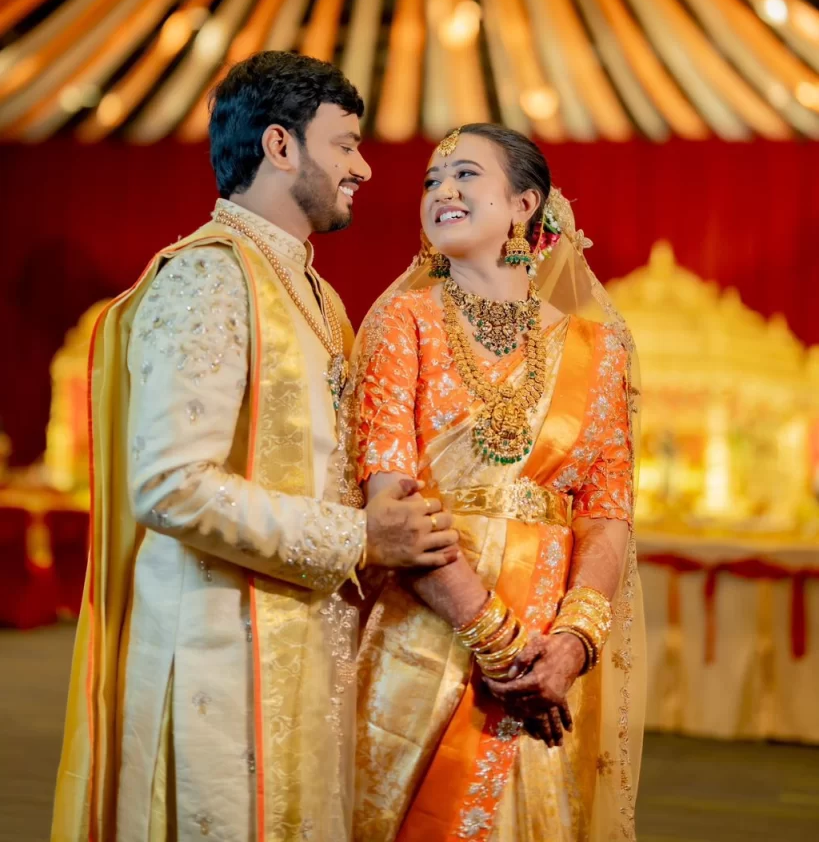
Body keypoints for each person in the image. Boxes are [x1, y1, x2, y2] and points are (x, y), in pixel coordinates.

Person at [51, 51, 458, 842]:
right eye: (344, 145)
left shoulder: (314, 292)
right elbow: (170, 484)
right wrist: (359, 538)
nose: (364, 168)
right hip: (218, 659)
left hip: (301, 646)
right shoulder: (207, 278)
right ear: (280, 145)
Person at [336, 124, 645, 841]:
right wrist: (499, 644)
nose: (441, 190)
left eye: (465, 174)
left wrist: (571, 643)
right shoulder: (402, 323)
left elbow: (607, 512)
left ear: (524, 205)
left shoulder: (597, 349)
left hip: (548, 662)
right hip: (424, 641)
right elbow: (392, 502)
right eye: (430, 180)